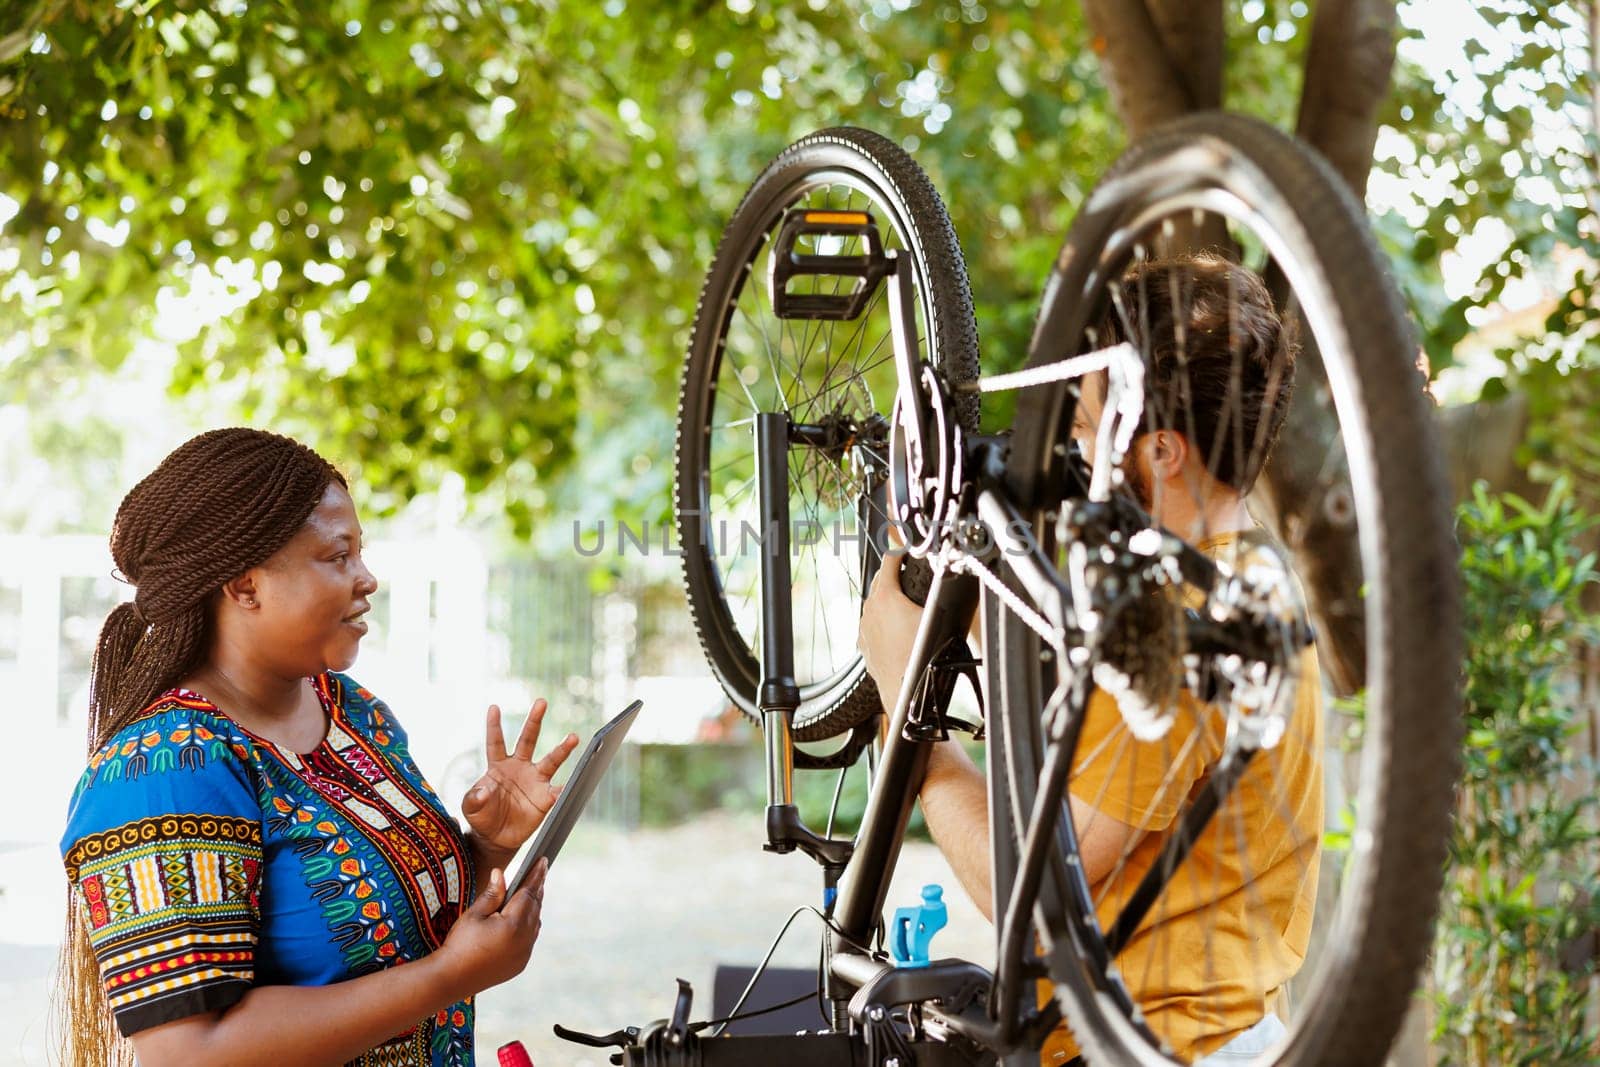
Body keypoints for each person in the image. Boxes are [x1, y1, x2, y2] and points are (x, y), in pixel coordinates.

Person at [859, 254, 1322, 1066]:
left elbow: (1029, 896)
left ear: (1164, 451)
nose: (1074, 453)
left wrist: (914, 725)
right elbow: (1091, 739)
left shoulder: (1182, 635)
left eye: (1086, 427)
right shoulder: (1248, 581)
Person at [56, 428, 578, 1067]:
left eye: (362, 552)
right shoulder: (163, 767)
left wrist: (491, 846)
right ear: (245, 585)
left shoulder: (354, 712)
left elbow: (402, 936)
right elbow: (189, 1052)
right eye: (338, 556)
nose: (368, 580)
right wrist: (449, 979)